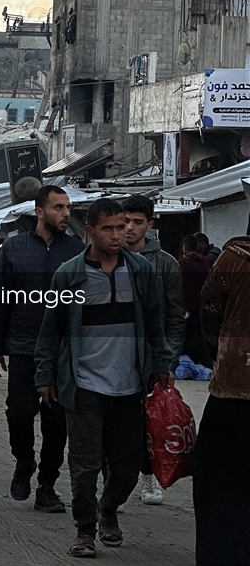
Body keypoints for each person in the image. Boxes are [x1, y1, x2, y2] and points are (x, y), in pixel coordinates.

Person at [35, 198, 169, 559]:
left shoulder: (140, 271)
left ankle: (108, 509)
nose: (117, 234)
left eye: (121, 226)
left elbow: (154, 323)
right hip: (83, 384)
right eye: (108, 228)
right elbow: (51, 330)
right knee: (84, 465)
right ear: (90, 232)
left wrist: (161, 364)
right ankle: (84, 531)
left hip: (129, 384)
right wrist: (45, 375)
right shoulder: (69, 274)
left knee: (126, 467)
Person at [0, 185, 83, 512]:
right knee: (18, 413)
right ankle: (24, 461)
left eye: (68, 208)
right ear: (39, 211)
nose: (66, 214)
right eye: (59, 207)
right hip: (23, 346)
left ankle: (47, 485)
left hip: (61, 353)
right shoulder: (14, 248)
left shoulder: (77, 250)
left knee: (56, 423)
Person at [122, 194, 187, 506]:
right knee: (116, 423)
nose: (129, 228)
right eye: (125, 221)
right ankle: (116, 484)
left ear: (149, 224)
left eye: (137, 222)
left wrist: (168, 360)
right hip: (115, 351)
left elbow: (175, 317)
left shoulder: (166, 264)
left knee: (150, 422)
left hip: (152, 356)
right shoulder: (108, 257)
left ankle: (149, 478)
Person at [194, 232, 250, 566]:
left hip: (233, 390)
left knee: (220, 483)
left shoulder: (233, 258)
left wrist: (226, 351)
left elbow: (209, 312)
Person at [179, 235, 214, 367]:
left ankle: (192, 365)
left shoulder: (183, 264)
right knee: (204, 338)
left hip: (188, 307)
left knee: (190, 338)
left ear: (184, 248)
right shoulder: (208, 262)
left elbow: (179, 287)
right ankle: (207, 365)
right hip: (206, 308)